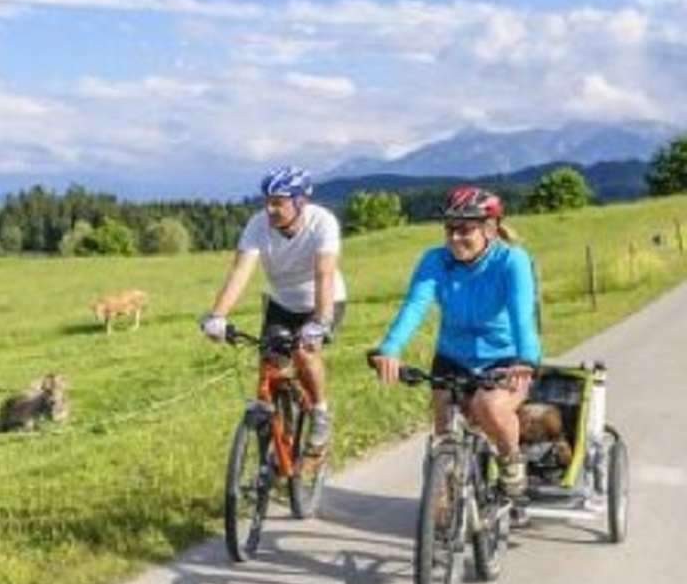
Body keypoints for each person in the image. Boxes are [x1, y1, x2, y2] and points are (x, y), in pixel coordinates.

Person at [369, 186, 540, 497]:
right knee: (445, 432)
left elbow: (522, 315)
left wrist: (526, 358)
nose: (454, 238)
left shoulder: (512, 261)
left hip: (504, 359)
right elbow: (415, 306)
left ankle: (511, 464)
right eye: (449, 229)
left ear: (489, 228)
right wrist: (390, 348)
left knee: (488, 407)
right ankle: (444, 496)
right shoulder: (436, 260)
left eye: (464, 229)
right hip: (452, 357)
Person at [200, 165, 347, 453]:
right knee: (268, 369)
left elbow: (324, 273)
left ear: (300, 201)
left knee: (305, 353)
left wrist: (320, 322)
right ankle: (275, 452)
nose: (270, 209)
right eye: (267, 201)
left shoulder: (323, 222)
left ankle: (319, 412)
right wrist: (217, 315)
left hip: (323, 300)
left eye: (278, 202)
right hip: (281, 302)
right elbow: (241, 270)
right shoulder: (258, 225)